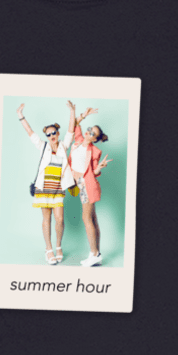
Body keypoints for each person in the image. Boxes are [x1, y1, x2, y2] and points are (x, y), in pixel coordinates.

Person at [17, 103, 77, 264]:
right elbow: (30, 132)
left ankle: (58, 246)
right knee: (47, 219)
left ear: (58, 133)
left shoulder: (63, 146)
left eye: (54, 133)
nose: (51, 136)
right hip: (43, 189)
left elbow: (71, 131)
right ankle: (49, 249)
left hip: (58, 189)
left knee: (60, 219)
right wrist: (21, 116)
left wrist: (72, 111)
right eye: (48, 134)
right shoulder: (43, 146)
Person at [65, 99, 114, 266]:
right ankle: (96, 253)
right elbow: (74, 125)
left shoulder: (95, 151)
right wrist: (83, 115)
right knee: (92, 218)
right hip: (79, 183)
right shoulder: (78, 140)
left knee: (87, 218)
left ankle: (94, 254)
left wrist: (99, 168)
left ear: (95, 139)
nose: (88, 133)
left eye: (92, 133)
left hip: (87, 185)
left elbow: (93, 172)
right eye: (89, 130)